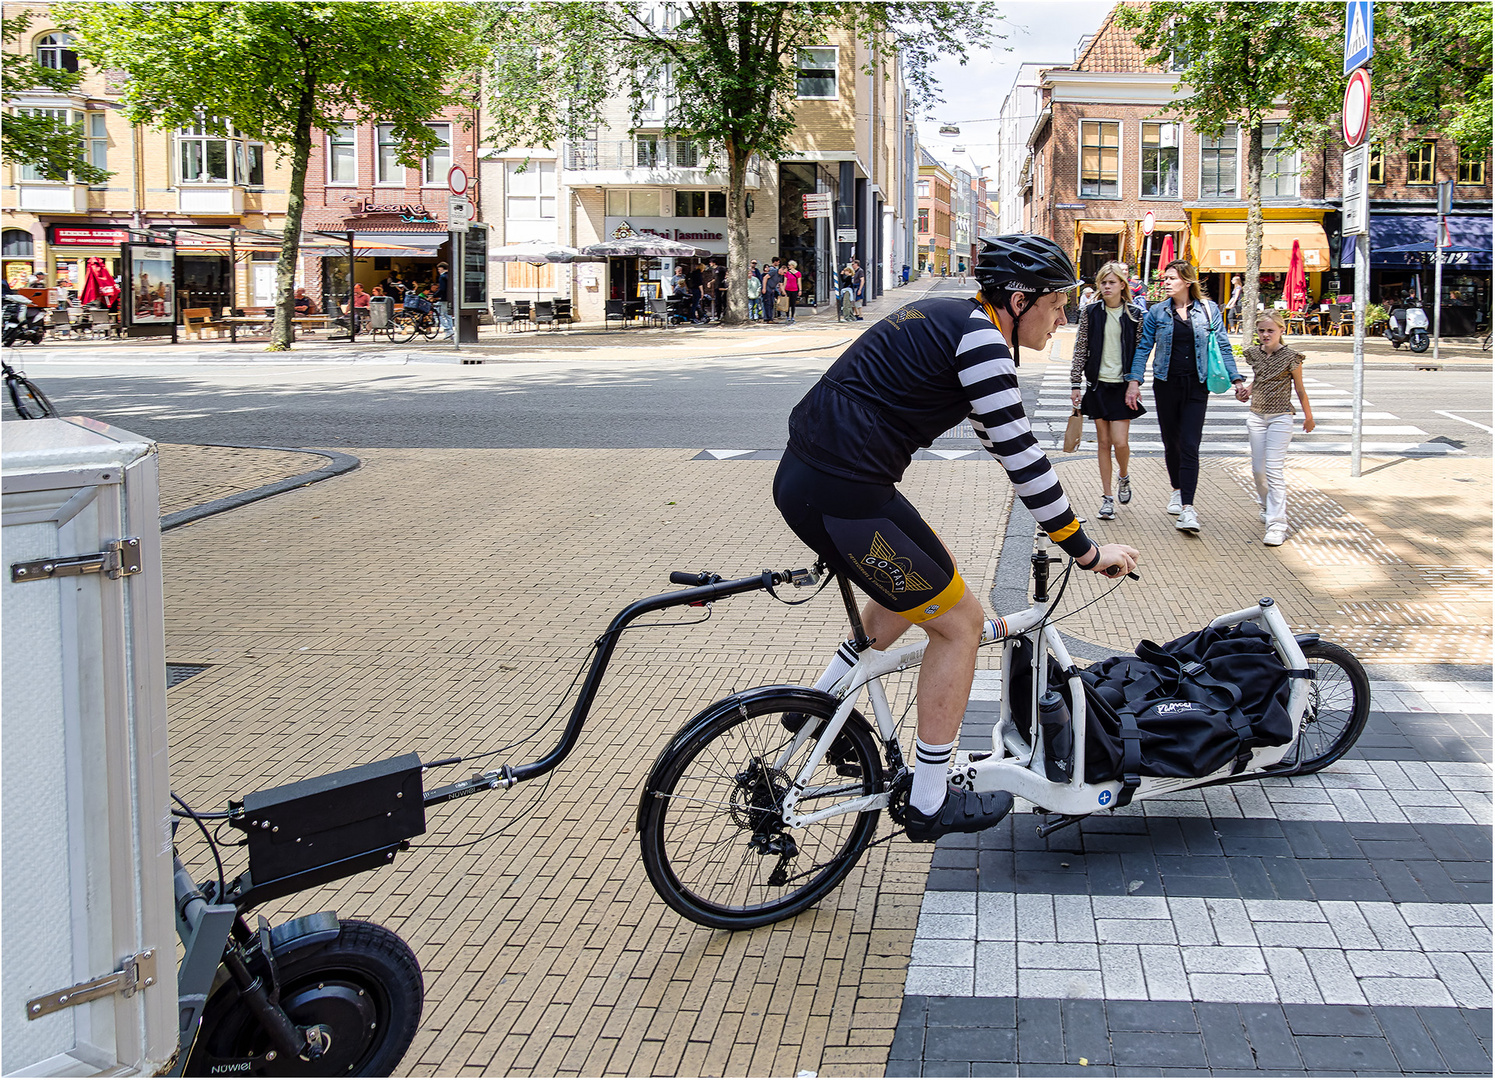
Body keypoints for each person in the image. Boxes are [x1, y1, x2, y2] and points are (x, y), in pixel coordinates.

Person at [774, 234, 1139, 842]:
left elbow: (999, 443)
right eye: (1056, 303)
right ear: (1019, 300)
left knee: (927, 577)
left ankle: (813, 709)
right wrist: (1087, 550)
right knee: (960, 624)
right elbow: (1024, 460)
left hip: (824, 480)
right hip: (844, 494)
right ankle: (930, 800)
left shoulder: (956, 323)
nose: (1063, 317)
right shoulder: (981, 339)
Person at [1125, 259, 1247, 534]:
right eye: (1165, 278)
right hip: (1166, 383)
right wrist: (1134, 382)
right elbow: (1144, 348)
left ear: (1187, 281)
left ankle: (1188, 509)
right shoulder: (1157, 312)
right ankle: (1177, 489)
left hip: (1197, 384)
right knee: (1172, 443)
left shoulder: (1208, 309)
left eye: (1171, 278)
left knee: (1190, 444)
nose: (1165, 282)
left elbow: (1224, 346)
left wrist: (1236, 378)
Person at [1070, 262, 1146, 521]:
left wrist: (1136, 383)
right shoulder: (1091, 312)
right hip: (1098, 385)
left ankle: (1123, 476)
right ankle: (1107, 498)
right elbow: (1080, 349)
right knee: (1103, 443)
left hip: (1122, 387)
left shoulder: (1135, 314)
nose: (1106, 286)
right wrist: (1075, 384)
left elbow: (1139, 353)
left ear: (1122, 285)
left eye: (1111, 282)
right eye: (1103, 282)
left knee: (1120, 442)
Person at [1242, 312, 1315, 547]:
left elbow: (1300, 389)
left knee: (1273, 469)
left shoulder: (1291, 357)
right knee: (1257, 469)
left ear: (1281, 331)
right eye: (1261, 330)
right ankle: (1266, 505)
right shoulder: (1254, 354)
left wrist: (1309, 417)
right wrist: (1247, 391)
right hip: (1256, 416)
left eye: (1270, 331)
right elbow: (1261, 378)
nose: (1265, 335)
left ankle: (1277, 524)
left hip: (1281, 417)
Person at [433, 261, 452, 340]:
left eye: (439, 269)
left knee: (437, 313)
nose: (438, 271)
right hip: (450, 298)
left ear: (442, 269)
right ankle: (451, 333)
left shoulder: (442, 277)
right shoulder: (450, 276)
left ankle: (447, 329)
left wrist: (434, 296)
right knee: (448, 315)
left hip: (444, 298)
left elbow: (442, 289)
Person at [763, 258, 783, 323]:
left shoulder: (778, 274)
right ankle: (767, 318)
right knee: (767, 303)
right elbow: (765, 278)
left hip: (772, 289)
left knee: (771, 304)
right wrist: (764, 288)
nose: (778, 263)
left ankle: (770, 318)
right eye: (778, 262)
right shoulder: (773, 270)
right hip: (768, 289)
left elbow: (780, 283)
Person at [782, 259, 802, 324]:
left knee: (793, 304)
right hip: (788, 289)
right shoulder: (787, 273)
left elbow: (799, 282)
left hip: (794, 289)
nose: (788, 266)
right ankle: (787, 316)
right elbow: (785, 282)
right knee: (787, 304)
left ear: (793, 266)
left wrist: (800, 290)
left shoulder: (798, 273)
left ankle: (792, 316)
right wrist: (783, 290)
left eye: (789, 265)